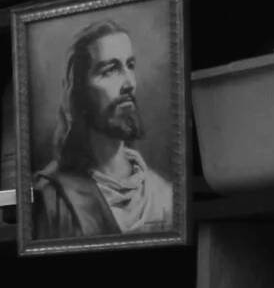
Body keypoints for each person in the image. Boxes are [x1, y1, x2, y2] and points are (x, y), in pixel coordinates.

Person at [27, 20, 176, 240]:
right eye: (110, 70)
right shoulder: (53, 196)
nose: (129, 83)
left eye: (130, 66)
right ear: (80, 91)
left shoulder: (164, 196)